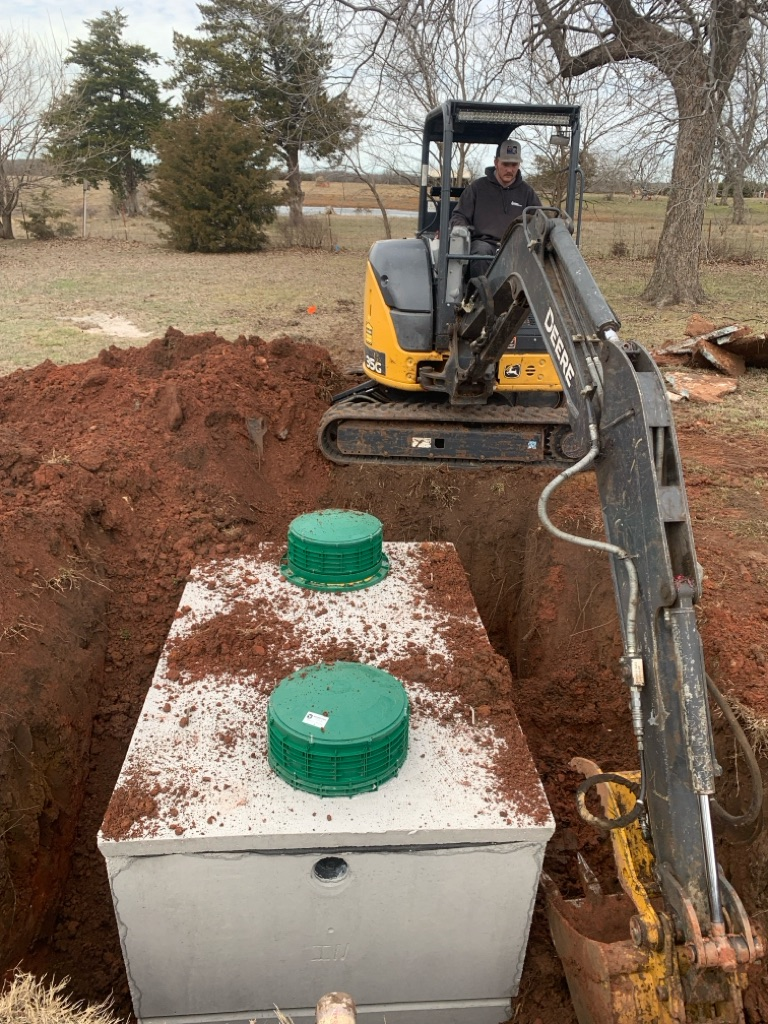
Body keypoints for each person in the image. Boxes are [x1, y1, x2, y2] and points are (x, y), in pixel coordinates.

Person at [450, 139, 541, 277]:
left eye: (514, 165)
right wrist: (460, 228)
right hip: (484, 244)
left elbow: (539, 219)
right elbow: (459, 215)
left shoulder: (527, 193)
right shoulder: (477, 188)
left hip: (515, 247)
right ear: (496, 162)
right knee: (480, 255)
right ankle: (479, 297)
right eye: (505, 164)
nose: (510, 170)